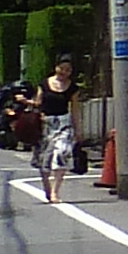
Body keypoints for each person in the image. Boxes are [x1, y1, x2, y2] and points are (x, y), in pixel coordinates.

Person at [37, 53, 84, 195]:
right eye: (61, 68)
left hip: (64, 123)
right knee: (45, 158)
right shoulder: (44, 84)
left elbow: (75, 110)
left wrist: (78, 130)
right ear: (55, 67)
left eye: (68, 70)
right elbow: (38, 103)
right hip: (46, 123)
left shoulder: (72, 88)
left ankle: (55, 191)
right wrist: (26, 102)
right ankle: (47, 186)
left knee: (62, 153)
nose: (64, 72)